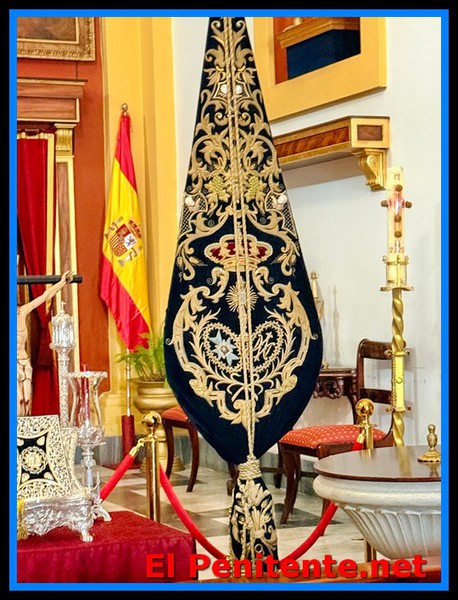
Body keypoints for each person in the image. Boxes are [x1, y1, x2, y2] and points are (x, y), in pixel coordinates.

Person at [17, 270, 74, 416]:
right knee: (18, 399)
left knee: (27, 399)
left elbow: (45, 296)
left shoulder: (22, 312)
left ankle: (25, 425)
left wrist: (62, 283)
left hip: (24, 362)